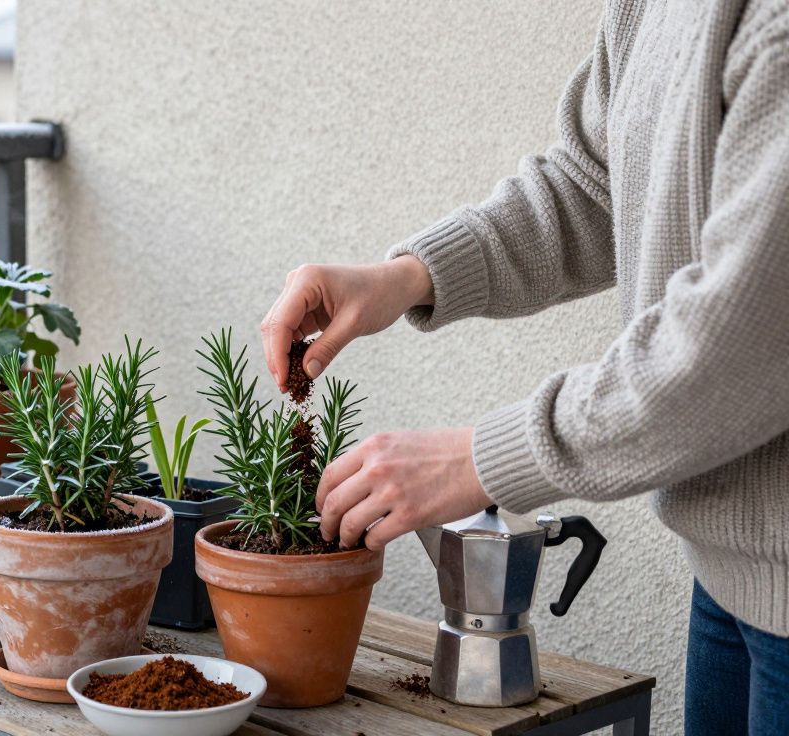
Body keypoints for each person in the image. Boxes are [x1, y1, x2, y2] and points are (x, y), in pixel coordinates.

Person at [259, 1, 789, 733]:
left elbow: (731, 352)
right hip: (728, 580)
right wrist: (409, 275)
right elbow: (593, 182)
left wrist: (476, 460)